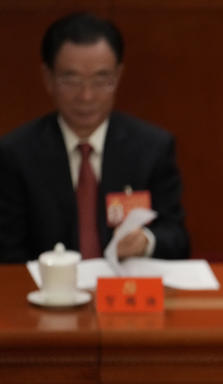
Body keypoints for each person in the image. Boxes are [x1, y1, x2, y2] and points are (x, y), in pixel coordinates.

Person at [0, 12, 190, 263]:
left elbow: (177, 238)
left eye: (101, 80)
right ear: (48, 79)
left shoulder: (152, 147)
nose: (86, 96)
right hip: (48, 295)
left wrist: (146, 241)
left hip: (124, 292)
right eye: (72, 80)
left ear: (118, 76)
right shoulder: (16, 153)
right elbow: (7, 252)